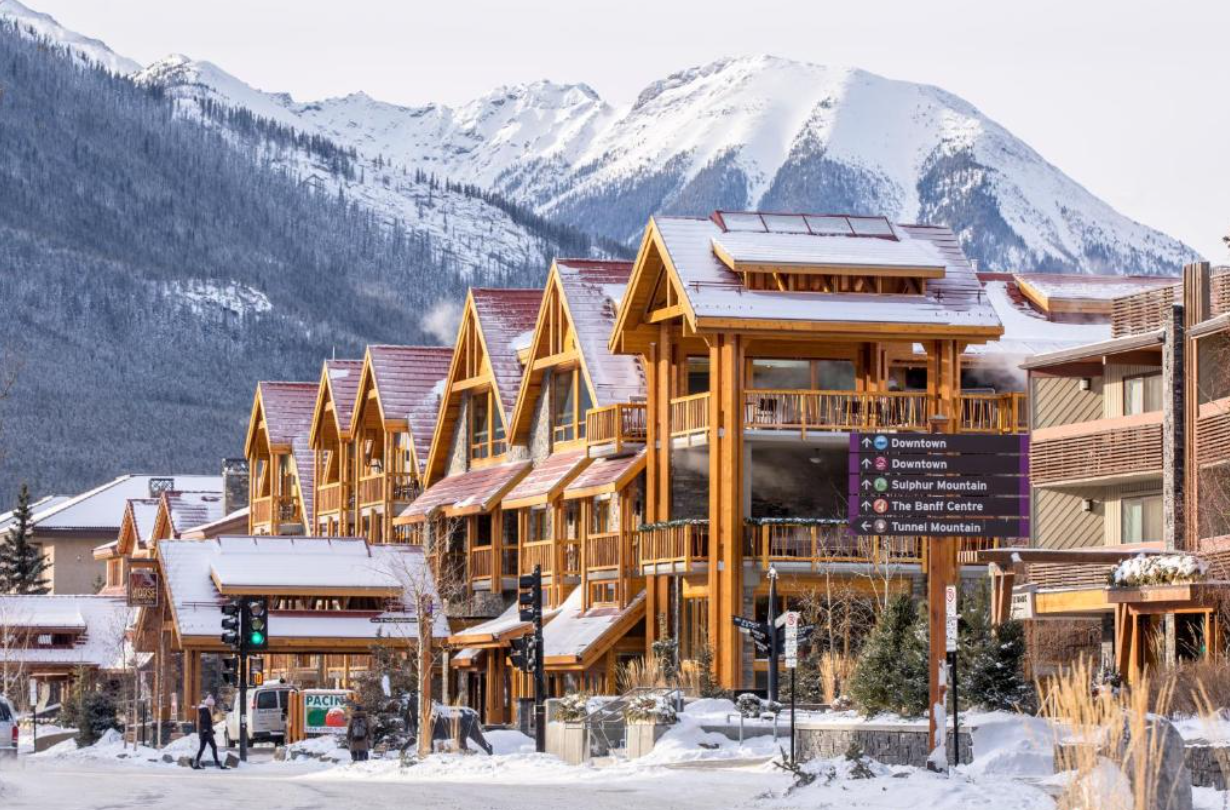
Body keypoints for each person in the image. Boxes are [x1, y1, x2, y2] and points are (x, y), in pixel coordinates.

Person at [193, 695, 227, 770]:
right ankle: (217, 764)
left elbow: (205, 722)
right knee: (214, 747)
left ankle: (196, 763)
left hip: (204, 733)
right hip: (207, 734)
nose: (212, 707)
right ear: (209, 704)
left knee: (202, 748)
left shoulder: (204, 710)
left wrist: (211, 730)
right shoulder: (205, 711)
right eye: (211, 705)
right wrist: (207, 730)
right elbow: (205, 722)